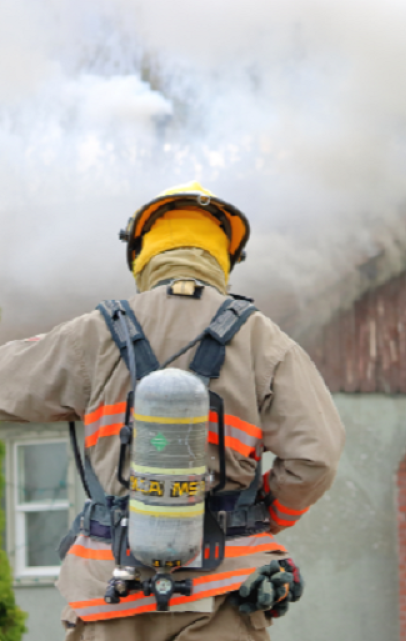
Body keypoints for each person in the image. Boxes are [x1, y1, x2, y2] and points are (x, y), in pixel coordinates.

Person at [0, 182, 345, 640]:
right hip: (223, 587)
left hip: (110, 592)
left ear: (141, 253)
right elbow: (316, 457)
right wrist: (260, 518)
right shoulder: (266, 341)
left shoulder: (94, 333)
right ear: (224, 257)